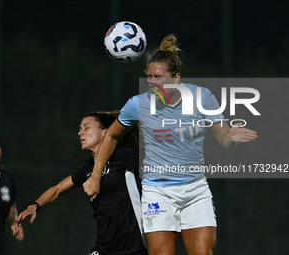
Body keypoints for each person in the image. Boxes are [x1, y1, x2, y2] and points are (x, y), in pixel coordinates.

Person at [83, 34, 258, 255]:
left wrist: (231, 138)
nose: (151, 82)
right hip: (158, 193)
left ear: (176, 78)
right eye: (148, 77)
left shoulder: (202, 97)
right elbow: (111, 136)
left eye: (158, 76)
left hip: (195, 191)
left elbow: (223, 139)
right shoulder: (138, 104)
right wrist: (96, 176)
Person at [16, 111, 147, 255]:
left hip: (132, 249)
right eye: (79, 129)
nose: (80, 133)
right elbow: (57, 190)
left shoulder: (123, 155)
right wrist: (35, 205)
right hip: (103, 249)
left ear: (105, 133)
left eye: (86, 127)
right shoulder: (88, 168)